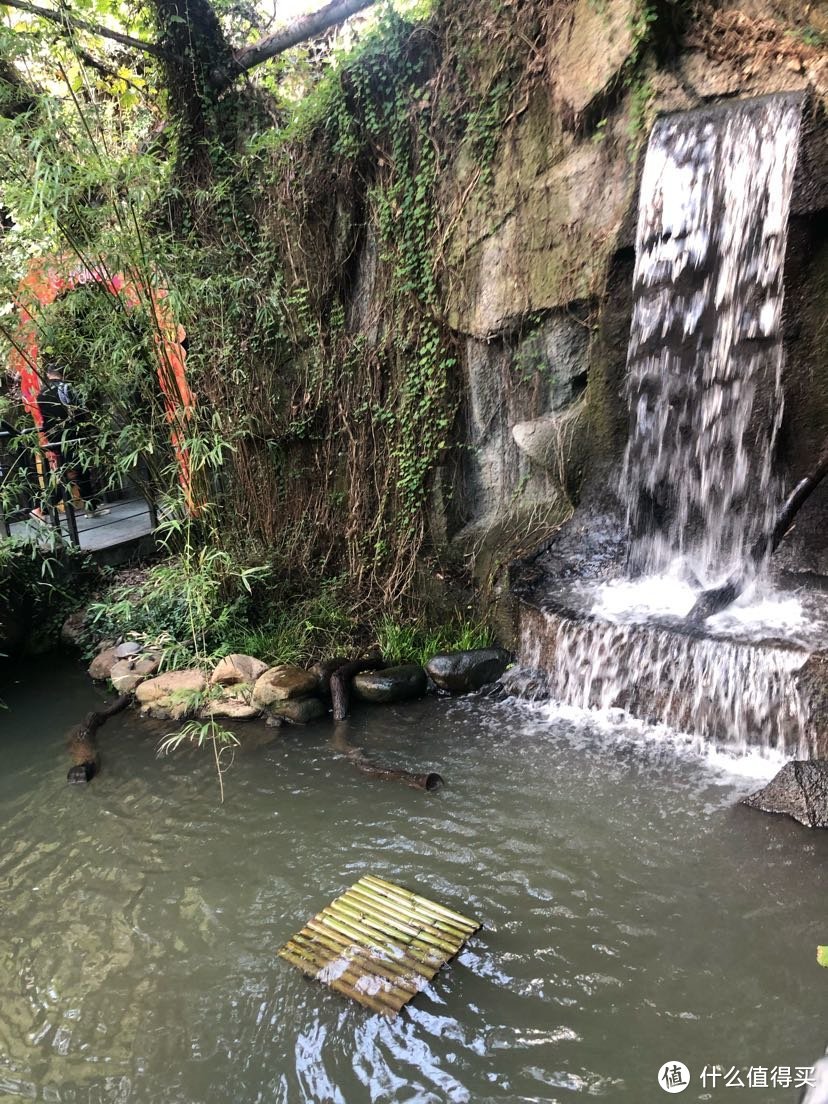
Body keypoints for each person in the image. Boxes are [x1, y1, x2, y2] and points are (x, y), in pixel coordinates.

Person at [31, 363, 108, 522]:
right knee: (70, 474)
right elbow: (79, 413)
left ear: (48, 374)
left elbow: (46, 421)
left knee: (79, 471)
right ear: (62, 372)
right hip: (72, 437)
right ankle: (41, 509)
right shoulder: (67, 388)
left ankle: (91, 507)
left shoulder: (41, 394)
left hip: (55, 441)